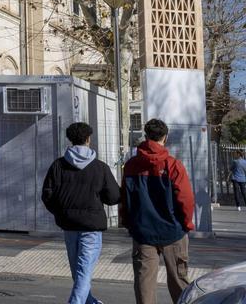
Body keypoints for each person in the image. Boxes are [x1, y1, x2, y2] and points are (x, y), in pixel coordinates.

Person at [41, 121, 121, 304]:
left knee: (78, 271)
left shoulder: (58, 165)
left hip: (68, 224)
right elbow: (113, 196)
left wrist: (61, 212)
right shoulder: (100, 167)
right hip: (91, 226)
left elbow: (47, 194)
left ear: (70, 140)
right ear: (88, 139)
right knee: (83, 271)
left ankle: (90, 301)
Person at [121, 118, 194, 304]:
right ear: (165, 137)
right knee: (180, 281)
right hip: (173, 231)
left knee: (144, 284)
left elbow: (126, 199)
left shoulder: (131, 166)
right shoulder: (173, 165)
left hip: (143, 232)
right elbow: (185, 199)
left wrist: (130, 224)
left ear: (145, 136)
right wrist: (186, 223)